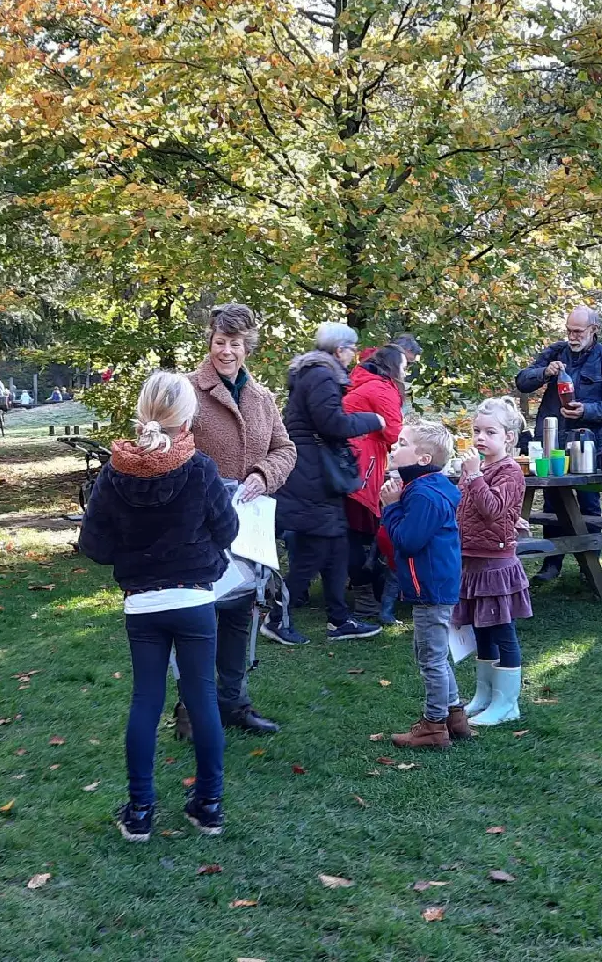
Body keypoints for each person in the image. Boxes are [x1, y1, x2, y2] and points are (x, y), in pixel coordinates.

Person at [77, 371, 238, 843]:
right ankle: (209, 804)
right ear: (188, 418)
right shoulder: (201, 469)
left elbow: (94, 544)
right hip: (194, 598)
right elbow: (227, 530)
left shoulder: (114, 473)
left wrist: (133, 551)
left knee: (146, 701)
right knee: (203, 698)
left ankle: (141, 809)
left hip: (142, 603)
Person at [180, 302, 297, 736]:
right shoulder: (187, 391)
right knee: (198, 615)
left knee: (240, 613)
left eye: (235, 343)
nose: (226, 351)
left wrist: (262, 475)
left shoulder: (261, 397)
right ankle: (191, 707)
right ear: (209, 341)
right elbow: (171, 450)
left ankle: (233, 702)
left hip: (249, 527)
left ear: (248, 345)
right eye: (219, 342)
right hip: (199, 525)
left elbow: (286, 449)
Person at [276, 322, 387, 642]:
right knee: (314, 554)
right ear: (340, 350)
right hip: (311, 475)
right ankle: (275, 615)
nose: (353, 356)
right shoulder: (322, 374)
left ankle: (339, 619)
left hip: (316, 474)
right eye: (352, 349)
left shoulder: (314, 372)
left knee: (337, 546)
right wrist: (373, 420)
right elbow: (332, 423)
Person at [514, 305, 602, 585]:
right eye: (568, 331)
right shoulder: (555, 352)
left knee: (588, 503)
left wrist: (586, 411)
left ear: (594, 330)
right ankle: (551, 563)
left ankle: (589, 564)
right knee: (552, 502)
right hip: (551, 442)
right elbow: (521, 380)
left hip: (587, 445)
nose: (572, 336)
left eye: (578, 331)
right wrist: (544, 372)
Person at [380, 421, 467, 749]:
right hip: (434, 584)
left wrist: (391, 508)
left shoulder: (424, 494)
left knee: (430, 657)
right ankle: (455, 715)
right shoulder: (426, 488)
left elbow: (408, 540)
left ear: (423, 458)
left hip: (430, 586)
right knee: (434, 652)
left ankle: (434, 725)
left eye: (402, 443)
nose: (393, 447)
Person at [452, 397, 532, 728]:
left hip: (496, 567)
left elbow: (493, 509)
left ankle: (506, 702)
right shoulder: (482, 469)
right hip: (472, 562)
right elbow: (469, 510)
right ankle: (484, 695)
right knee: (481, 630)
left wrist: (474, 478)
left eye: (490, 432)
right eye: (477, 431)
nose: (481, 438)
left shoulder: (511, 471)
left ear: (509, 437)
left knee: (502, 631)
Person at [342, 344, 405, 627]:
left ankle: (365, 591)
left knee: (354, 534)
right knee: (360, 534)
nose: (406, 372)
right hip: (360, 469)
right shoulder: (382, 389)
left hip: (347, 464)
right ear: (393, 367)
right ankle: (366, 596)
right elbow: (395, 433)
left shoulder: (361, 381)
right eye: (405, 366)